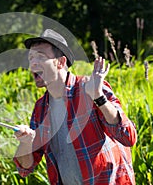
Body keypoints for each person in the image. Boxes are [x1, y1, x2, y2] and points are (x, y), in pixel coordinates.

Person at [13, 29, 137, 185]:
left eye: (40, 56)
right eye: (30, 58)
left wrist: (99, 97)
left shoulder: (90, 88)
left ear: (61, 62)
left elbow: (128, 136)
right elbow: (25, 169)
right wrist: (25, 143)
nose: (33, 63)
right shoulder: (41, 108)